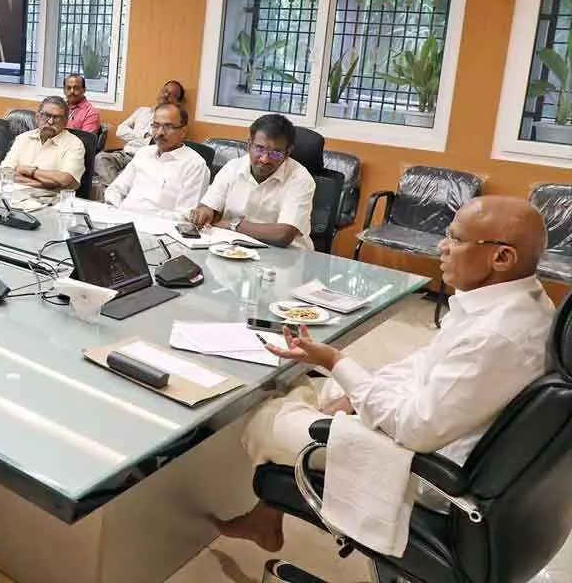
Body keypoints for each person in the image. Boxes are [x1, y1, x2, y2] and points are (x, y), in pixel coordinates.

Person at [216, 196, 555, 553]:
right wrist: (356, 392)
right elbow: (426, 364)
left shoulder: (495, 335)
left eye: (455, 239)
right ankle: (266, 517)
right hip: (433, 424)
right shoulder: (521, 301)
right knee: (299, 385)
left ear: (501, 257)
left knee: (264, 414)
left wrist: (337, 364)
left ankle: (246, 502)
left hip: (424, 468)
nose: (442, 247)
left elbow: (415, 429)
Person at [188, 114, 315, 250]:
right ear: (249, 145)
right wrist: (205, 213)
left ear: (287, 153)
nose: (265, 159)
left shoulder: (300, 179)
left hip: (287, 258)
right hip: (233, 249)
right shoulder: (233, 167)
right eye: (259, 149)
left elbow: (283, 235)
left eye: (275, 153)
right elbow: (209, 207)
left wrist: (234, 224)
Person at [103, 102, 208, 218]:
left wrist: (142, 216)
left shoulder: (195, 165)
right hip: (122, 221)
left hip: (158, 230)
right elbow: (116, 188)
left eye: (168, 127)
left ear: (183, 131)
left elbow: (185, 215)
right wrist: (118, 209)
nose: (159, 133)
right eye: (156, 126)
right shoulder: (143, 153)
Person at [95, 80, 185, 189]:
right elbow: (120, 130)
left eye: (172, 95)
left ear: (177, 102)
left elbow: (154, 144)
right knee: (100, 158)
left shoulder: (176, 123)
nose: (166, 95)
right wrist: (144, 134)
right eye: (165, 91)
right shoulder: (142, 111)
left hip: (147, 159)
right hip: (126, 153)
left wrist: (133, 136)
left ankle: (114, 195)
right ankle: (116, 194)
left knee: (127, 174)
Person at [0, 96, 85, 192]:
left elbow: (66, 180)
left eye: (57, 117)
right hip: (16, 196)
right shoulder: (23, 138)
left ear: (65, 122)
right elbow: (4, 172)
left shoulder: (74, 144)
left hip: (51, 201)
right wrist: (46, 184)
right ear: (37, 117)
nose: (50, 121)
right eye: (46, 115)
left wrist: (30, 171)